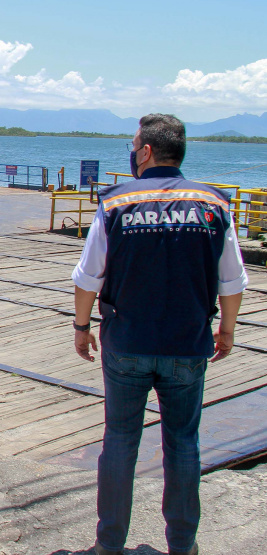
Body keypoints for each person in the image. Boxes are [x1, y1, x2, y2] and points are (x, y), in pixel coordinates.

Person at [71, 114, 247, 555]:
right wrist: (225, 331)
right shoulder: (215, 203)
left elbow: (88, 275)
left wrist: (80, 326)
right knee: (183, 442)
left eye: (133, 145)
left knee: (120, 441)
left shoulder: (114, 203)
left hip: (127, 341)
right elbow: (233, 280)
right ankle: (183, 546)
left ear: (146, 151)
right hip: (187, 344)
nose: (131, 152)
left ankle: (109, 545)